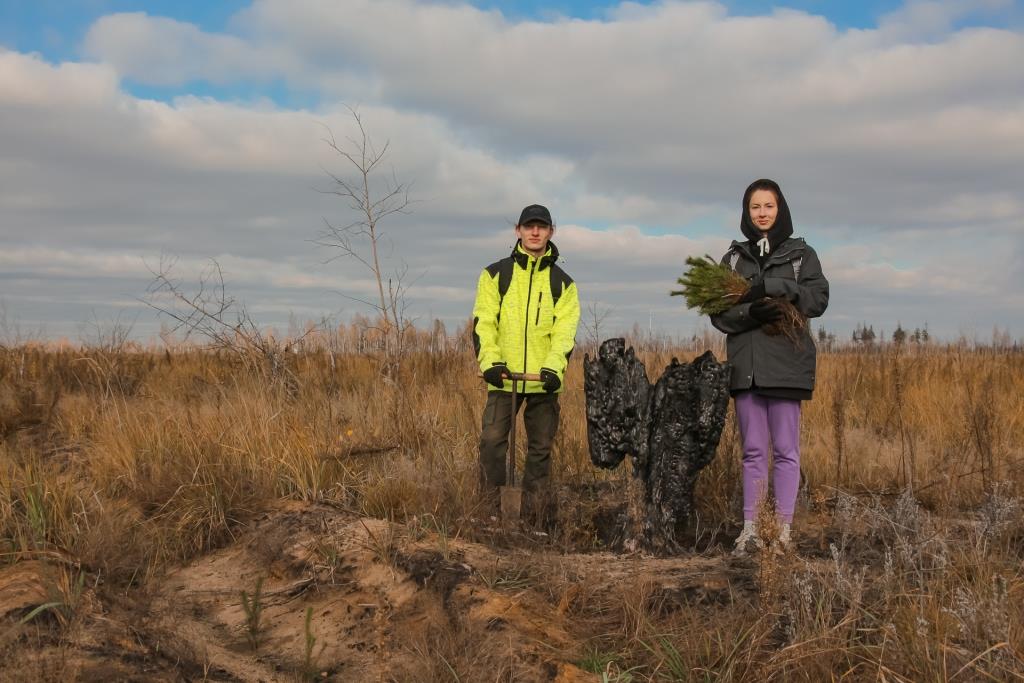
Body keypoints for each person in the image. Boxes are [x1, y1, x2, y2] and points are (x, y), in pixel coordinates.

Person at [710, 179, 829, 554]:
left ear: (781, 210)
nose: (762, 213)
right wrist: (751, 311)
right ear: (747, 213)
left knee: (786, 450)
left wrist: (781, 289)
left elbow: (817, 299)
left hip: (786, 367)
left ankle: (781, 531)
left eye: (769, 206)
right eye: (755, 207)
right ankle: (751, 529)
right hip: (746, 369)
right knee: (754, 451)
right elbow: (719, 314)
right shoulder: (733, 259)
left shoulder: (801, 255)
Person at [472, 204, 581, 515]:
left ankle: (534, 514)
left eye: (542, 227)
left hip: (543, 381)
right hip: (503, 379)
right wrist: (491, 363)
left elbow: (564, 333)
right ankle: (490, 511)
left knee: (540, 449)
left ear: (550, 232)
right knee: (492, 442)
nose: (535, 232)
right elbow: (484, 322)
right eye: (529, 226)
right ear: (518, 231)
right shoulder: (495, 275)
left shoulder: (564, 284)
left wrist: (552, 368)